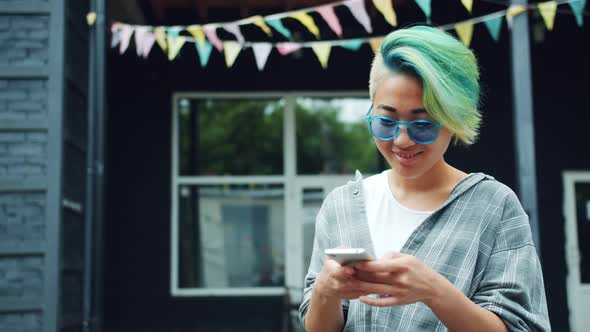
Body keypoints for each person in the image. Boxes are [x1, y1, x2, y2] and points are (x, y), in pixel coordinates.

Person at [298, 26, 550, 332]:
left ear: (454, 119)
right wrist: (326, 289)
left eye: (423, 124)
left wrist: (433, 289)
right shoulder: (342, 208)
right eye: (386, 121)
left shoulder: (494, 208)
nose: (402, 140)